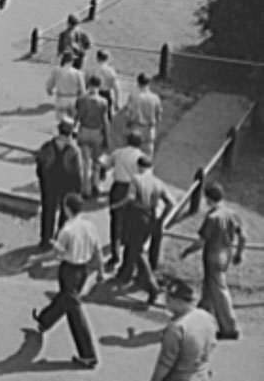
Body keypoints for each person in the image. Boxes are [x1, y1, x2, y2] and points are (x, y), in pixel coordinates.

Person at [30, 193, 105, 370]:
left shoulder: (67, 230)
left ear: (66, 208)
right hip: (84, 270)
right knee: (68, 300)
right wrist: (101, 272)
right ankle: (45, 320)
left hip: (69, 270)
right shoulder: (90, 226)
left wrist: (36, 259)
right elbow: (98, 250)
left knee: (75, 309)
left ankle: (88, 355)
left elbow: (55, 254)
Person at [181, 182, 246, 340]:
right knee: (209, 287)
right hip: (227, 252)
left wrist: (187, 251)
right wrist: (239, 253)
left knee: (219, 289)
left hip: (213, 254)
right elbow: (243, 236)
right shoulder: (232, 214)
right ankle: (202, 316)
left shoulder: (211, 217)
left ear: (208, 199)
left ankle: (229, 328)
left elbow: (201, 242)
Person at [146, 279, 218, 381]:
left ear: (177, 301)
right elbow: (212, 344)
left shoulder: (176, 328)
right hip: (201, 378)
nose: (165, 302)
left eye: (168, 299)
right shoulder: (207, 317)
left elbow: (165, 362)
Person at [113, 156, 174, 305]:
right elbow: (171, 203)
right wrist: (161, 219)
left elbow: (129, 198)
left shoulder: (136, 179)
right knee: (134, 248)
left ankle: (152, 285)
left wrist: (117, 205)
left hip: (137, 216)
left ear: (139, 167)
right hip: (151, 215)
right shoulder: (158, 182)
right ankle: (126, 275)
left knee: (138, 250)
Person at [35, 119, 83, 249]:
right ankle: (60, 239)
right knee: (65, 213)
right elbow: (78, 171)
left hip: (49, 183)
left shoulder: (47, 146)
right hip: (67, 184)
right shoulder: (74, 150)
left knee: (48, 211)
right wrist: (79, 189)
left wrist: (42, 179)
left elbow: (39, 164)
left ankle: (45, 239)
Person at [100, 132, 146, 268]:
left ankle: (115, 254)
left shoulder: (118, 153)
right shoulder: (142, 157)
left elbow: (106, 164)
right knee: (131, 220)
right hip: (134, 188)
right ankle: (126, 248)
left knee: (116, 221)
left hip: (118, 188)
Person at [74, 76, 111, 197]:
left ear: (89, 84)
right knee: (97, 162)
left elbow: (77, 116)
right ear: (99, 86)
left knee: (85, 163)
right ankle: (96, 185)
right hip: (97, 133)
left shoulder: (81, 99)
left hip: (84, 130)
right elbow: (105, 121)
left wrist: (73, 129)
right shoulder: (103, 102)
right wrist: (107, 137)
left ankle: (86, 189)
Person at [124, 73, 163, 157]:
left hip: (136, 129)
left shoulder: (133, 96)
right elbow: (159, 117)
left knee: (133, 155)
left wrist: (128, 125)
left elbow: (128, 114)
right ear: (149, 83)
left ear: (138, 83)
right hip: (149, 130)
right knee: (147, 156)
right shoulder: (155, 98)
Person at [46, 52, 85, 123]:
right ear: (71, 61)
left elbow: (50, 84)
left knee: (59, 120)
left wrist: (49, 90)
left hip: (60, 97)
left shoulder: (57, 70)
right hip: (72, 98)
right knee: (70, 120)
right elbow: (83, 90)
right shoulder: (78, 73)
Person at [86, 49, 120, 116]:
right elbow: (116, 88)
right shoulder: (111, 71)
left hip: (93, 94)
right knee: (106, 117)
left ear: (97, 58)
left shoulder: (91, 69)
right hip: (106, 95)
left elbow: (86, 85)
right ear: (107, 58)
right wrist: (116, 102)